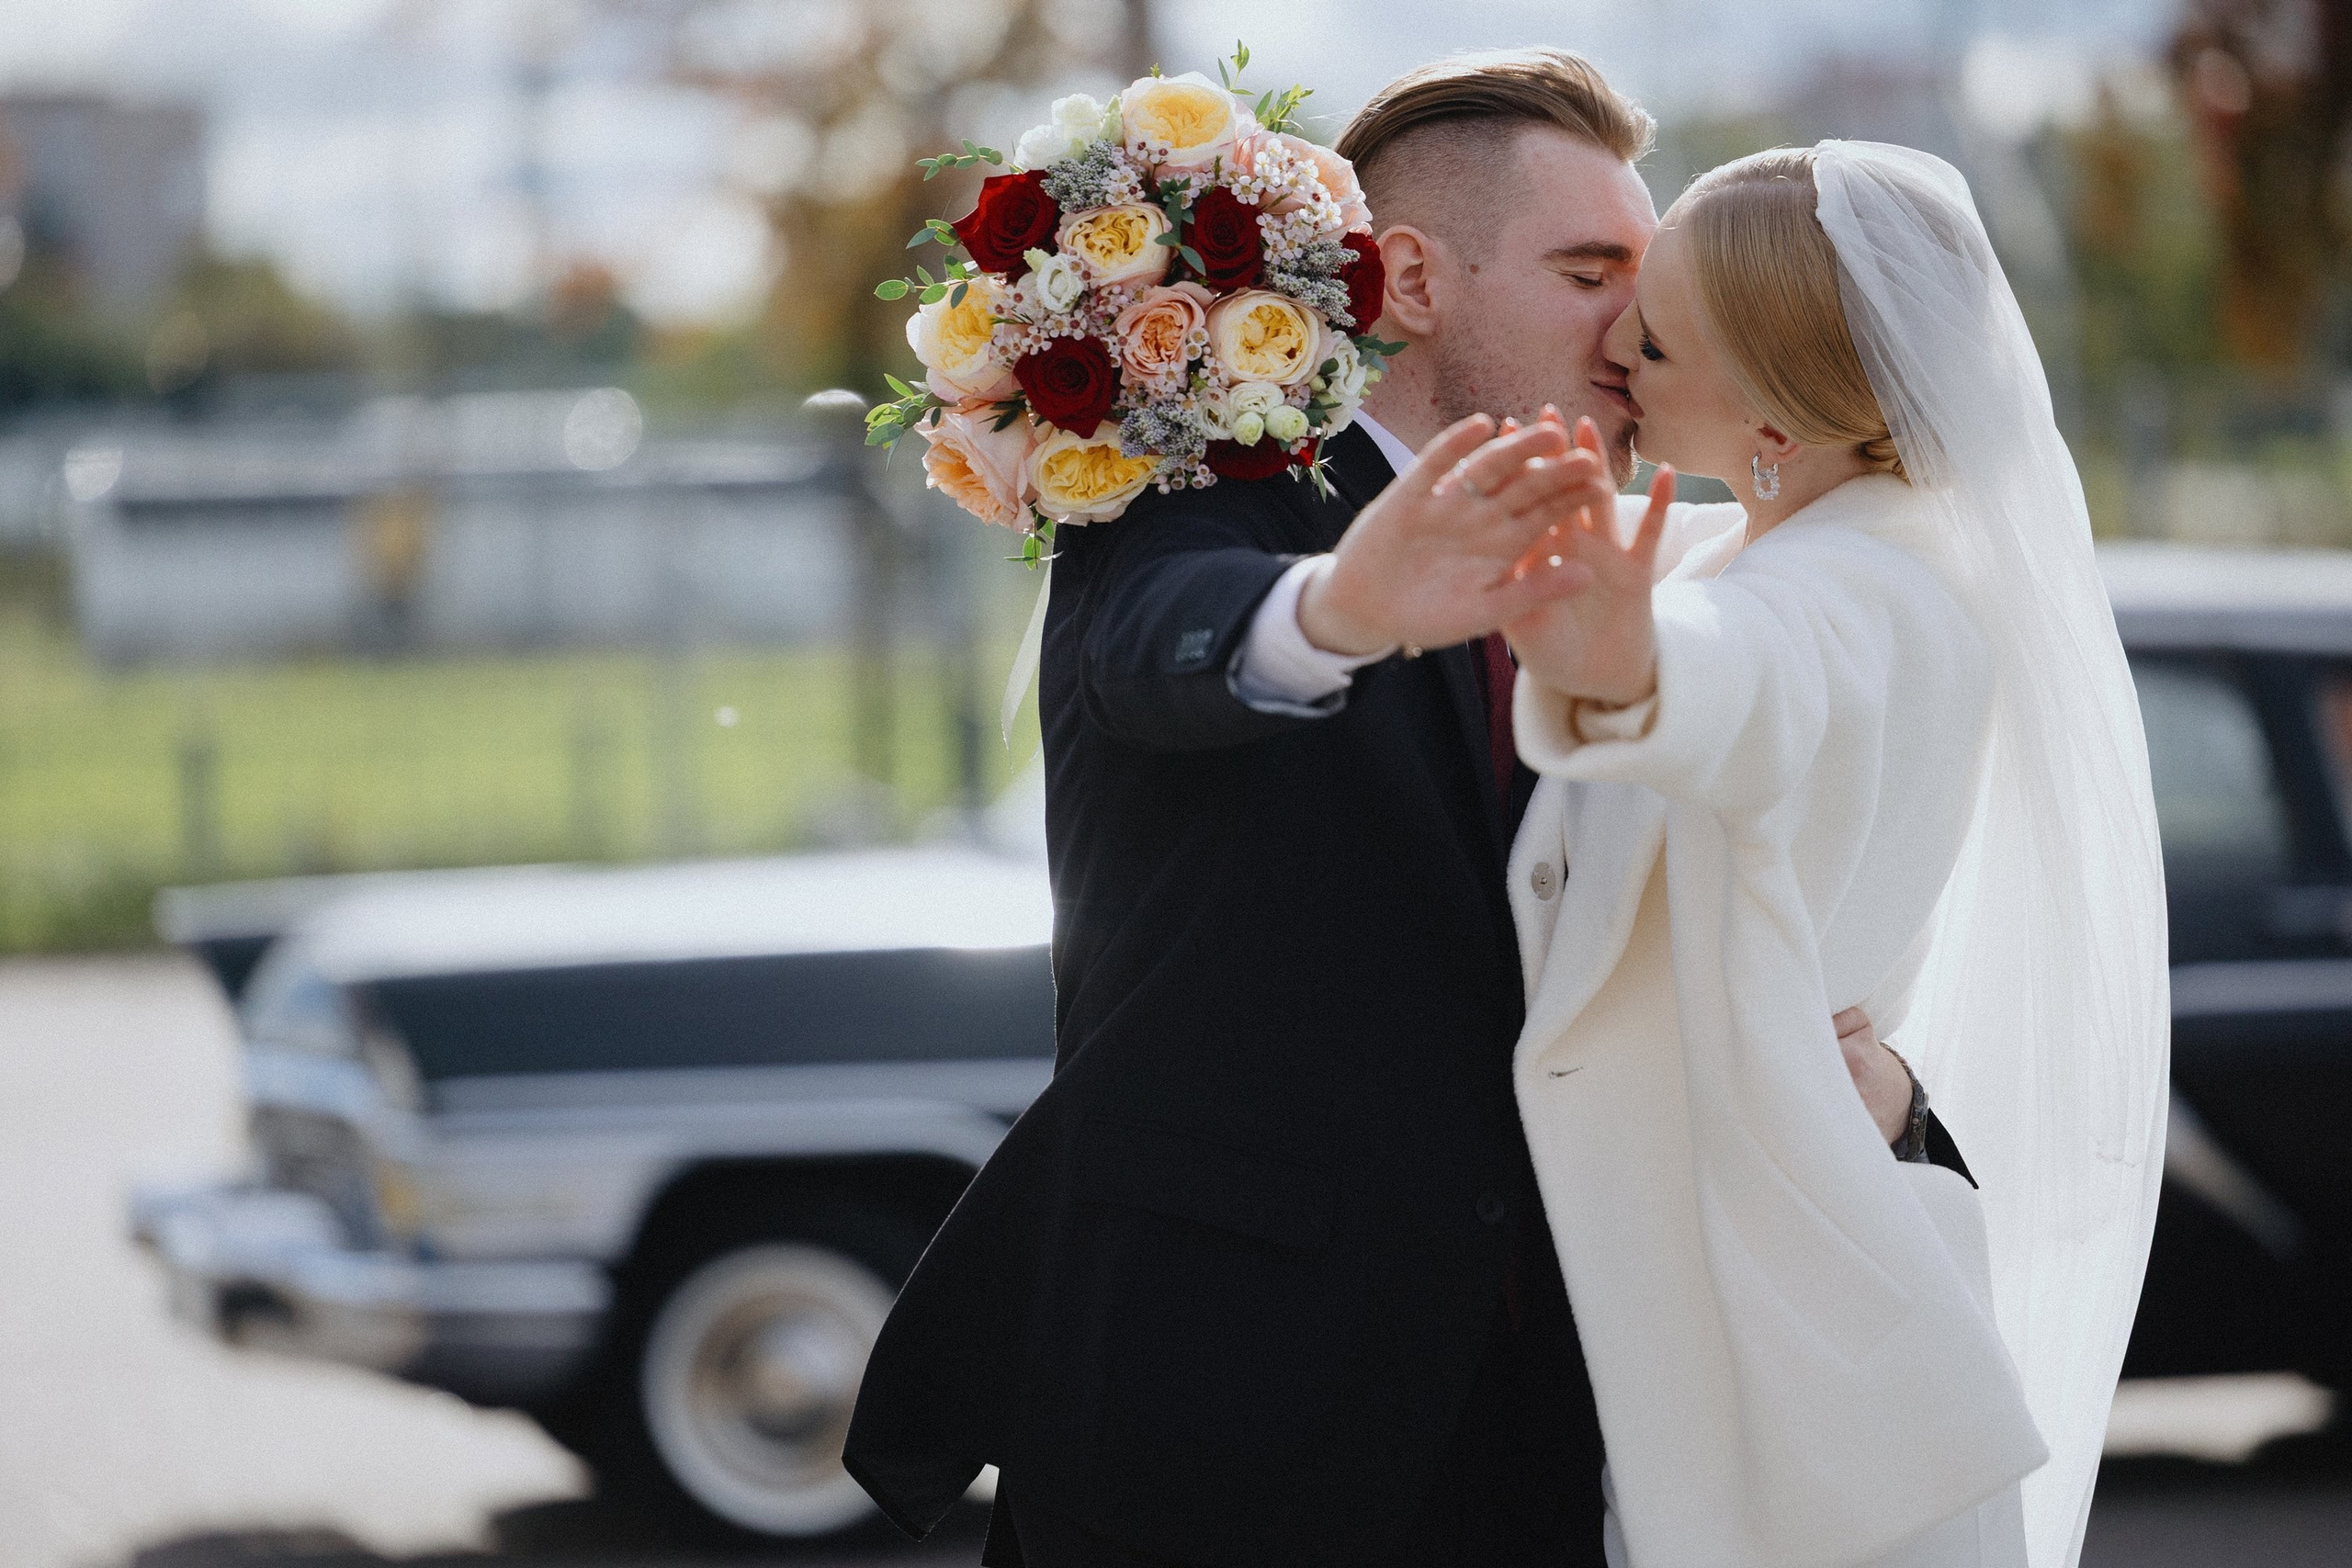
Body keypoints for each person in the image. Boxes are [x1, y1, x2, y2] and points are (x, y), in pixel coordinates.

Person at [847, 54, 1961, 1567]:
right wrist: (1343, 606)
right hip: (1216, 1429)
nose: (1636, 337)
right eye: (1589, 274)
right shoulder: (1192, 504)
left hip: (1561, 1439)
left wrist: (1884, 1105)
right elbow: (1149, 652)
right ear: (1416, 279)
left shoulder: (1669, 580)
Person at [1496, 143, 2169, 1568]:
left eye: (1657, 335)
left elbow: (1764, 677)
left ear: (1780, 416)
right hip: (1763, 1312)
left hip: (1794, 1377)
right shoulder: (1792, 537)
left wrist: (1627, 668)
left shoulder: (1874, 591)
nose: (1612, 347)